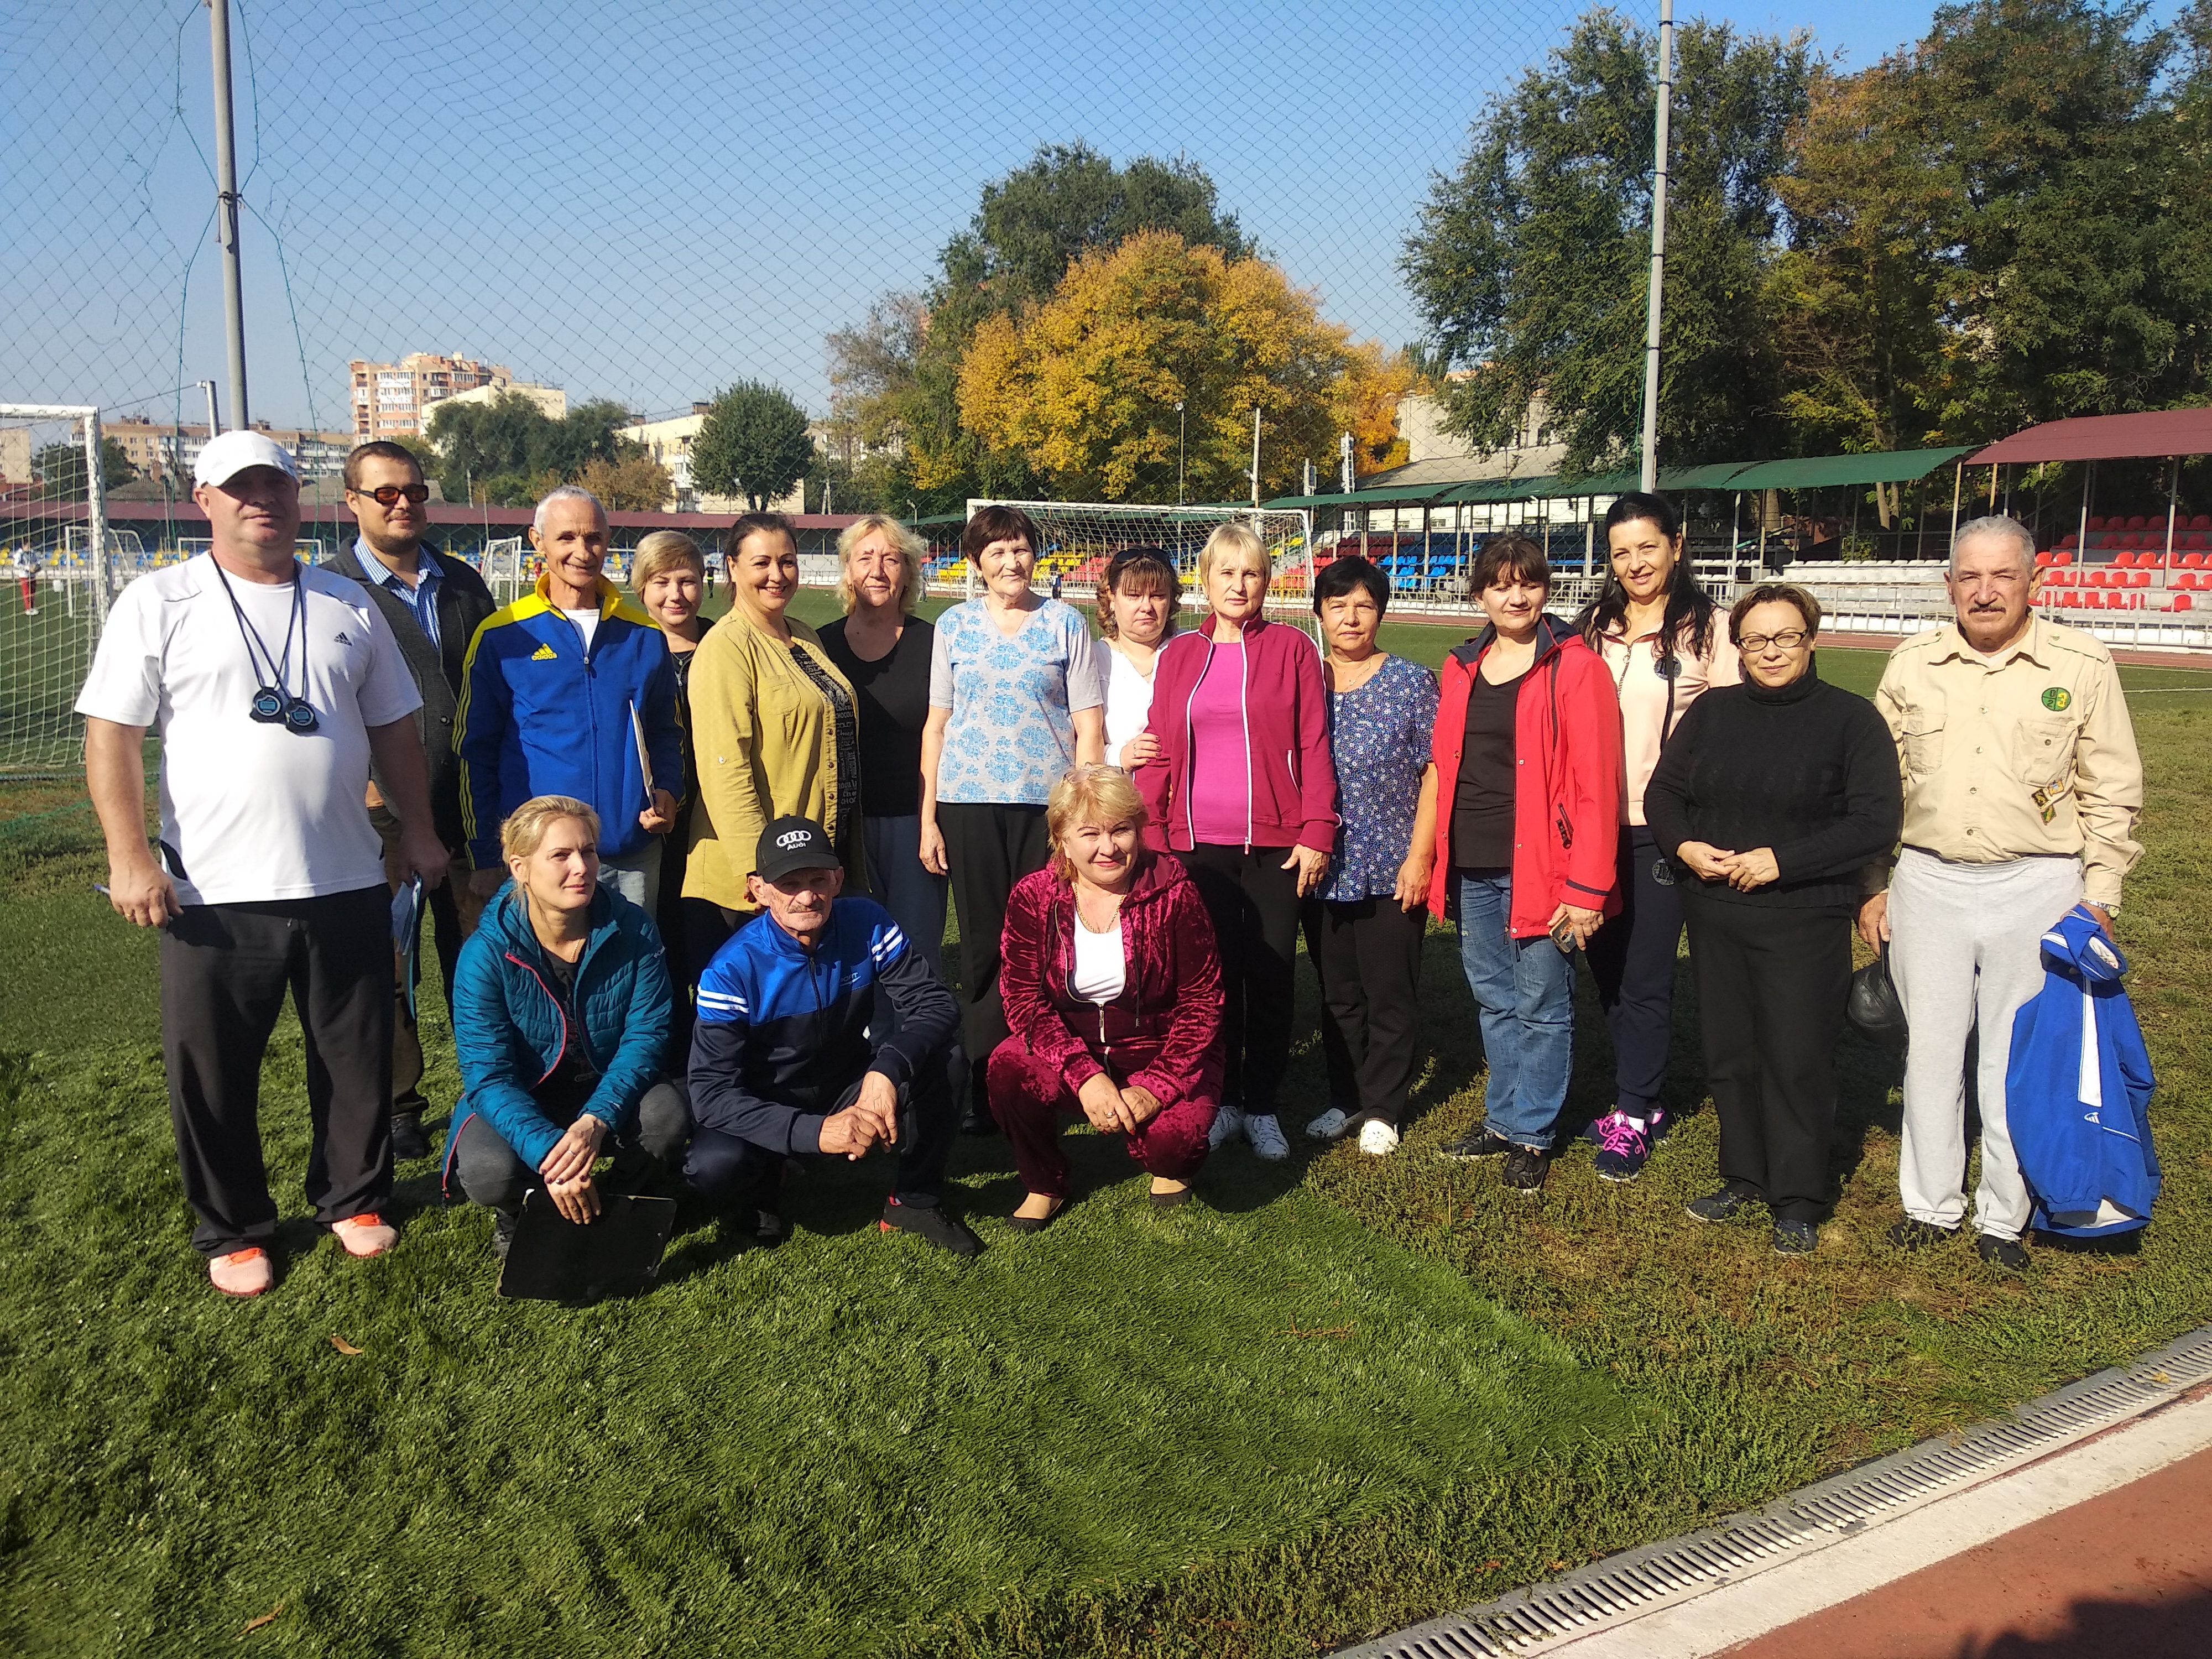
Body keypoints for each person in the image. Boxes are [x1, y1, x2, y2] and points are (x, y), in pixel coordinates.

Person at [76, 430, 446, 1296]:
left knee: (355, 1057)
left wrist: (419, 832)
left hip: (346, 875)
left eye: (276, 484)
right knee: (213, 1071)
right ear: (204, 500)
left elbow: (395, 729)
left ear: (297, 494)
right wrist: (128, 857)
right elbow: (112, 737)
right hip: (211, 889)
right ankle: (235, 1228)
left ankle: (353, 1197)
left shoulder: (347, 603)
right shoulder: (159, 601)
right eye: (240, 487)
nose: (262, 501)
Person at [1859, 516, 2143, 1270]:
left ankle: (2002, 1216)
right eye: (1969, 577)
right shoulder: (1912, 664)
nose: (1984, 593)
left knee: (2015, 1057)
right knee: (1930, 1053)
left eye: (2002, 576)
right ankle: (1930, 1205)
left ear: (2033, 582)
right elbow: (1877, 789)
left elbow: (2111, 787)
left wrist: (2100, 895)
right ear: (1948, 585)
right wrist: (1873, 884)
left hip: (2037, 884)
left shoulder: (2081, 664)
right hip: (1928, 880)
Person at [1646, 585, 1902, 1254]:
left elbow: (1875, 822)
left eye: (1785, 637)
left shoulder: (1850, 720)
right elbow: (1664, 791)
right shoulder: (1713, 712)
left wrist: (1781, 862)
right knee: (1730, 1053)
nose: (1771, 651)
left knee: (1796, 1057)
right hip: (1716, 912)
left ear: (1810, 640)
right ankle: (1744, 1174)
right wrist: (1683, 845)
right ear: (1738, 647)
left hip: (1803, 917)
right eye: (1755, 640)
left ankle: (1798, 1197)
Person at [686, 817, 982, 1255]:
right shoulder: (730, 970)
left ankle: (915, 1199)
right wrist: (812, 1132)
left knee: (948, 1059)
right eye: (789, 884)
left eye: (818, 880)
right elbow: (711, 1095)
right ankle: (762, 1189)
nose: (807, 896)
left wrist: (887, 1068)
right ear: (759, 890)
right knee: (712, 1165)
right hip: (765, 1101)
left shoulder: (867, 921)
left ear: (838, 879)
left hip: (846, 1084)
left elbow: (936, 1004)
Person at [1134, 520, 1335, 1162]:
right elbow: (1159, 750)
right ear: (1206, 579)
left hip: (1277, 846)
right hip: (1196, 848)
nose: (1239, 584)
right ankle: (1222, 1100)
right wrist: (1150, 834)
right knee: (1212, 980)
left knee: (1270, 976)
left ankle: (1264, 1104)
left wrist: (1317, 829)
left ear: (1266, 582)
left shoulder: (1293, 649)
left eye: (1251, 573)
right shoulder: (1178, 656)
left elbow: (1314, 743)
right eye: (1226, 572)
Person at [1427, 535, 1622, 1194]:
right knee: (1493, 998)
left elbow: (1597, 784)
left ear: (1546, 590)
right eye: (1501, 585)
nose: (1516, 597)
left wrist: (1586, 886)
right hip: (1472, 861)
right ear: (1479, 594)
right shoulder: (1461, 665)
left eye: (1529, 583)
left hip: (1543, 865)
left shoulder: (1575, 667)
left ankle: (1532, 1132)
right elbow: (1446, 764)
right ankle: (1502, 1119)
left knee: (1542, 1002)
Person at [329, 439, 498, 1161]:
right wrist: (368, 786)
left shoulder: (462, 583)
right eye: (386, 493)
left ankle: (490, 1089)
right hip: (379, 815)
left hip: (467, 807)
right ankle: (399, 1106)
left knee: (481, 956)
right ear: (353, 502)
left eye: (415, 491)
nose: (404, 504)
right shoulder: (328, 590)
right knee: (389, 963)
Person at [920, 505, 1105, 1134]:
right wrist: (928, 819)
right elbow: (937, 725)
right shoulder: (953, 626)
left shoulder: (1064, 624)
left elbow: (1088, 725)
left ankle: (1046, 1078)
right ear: (976, 563)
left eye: (1020, 548)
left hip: (1046, 809)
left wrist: (1082, 814)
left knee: (1044, 944)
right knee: (981, 950)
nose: (1011, 561)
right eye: (996, 551)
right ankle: (985, 1086)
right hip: (967, 804)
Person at [444, 795, 690, 1256]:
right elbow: (489, 1076)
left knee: (667, 1117)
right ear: (520, 868)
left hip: (607, 1086)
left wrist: (597, 1120)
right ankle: (519, 1209)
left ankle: (625, 1196)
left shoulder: (634, 929)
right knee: (486, 1171)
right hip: (528, 1092)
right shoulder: (484, 954)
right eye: (560, 855)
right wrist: (549, 1155)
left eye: (588, 851)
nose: (581, 868)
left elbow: (647, 1037)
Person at [1576, 492, 1739, 1182]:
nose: (1635, 563)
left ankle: (1634, 1112)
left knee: (1644, 976)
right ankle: (1641, 1096)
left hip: (1660, 830)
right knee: (1607, 971)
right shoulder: (1593, 627)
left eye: (1648, 547)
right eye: (1622, 552)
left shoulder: (1713, 631)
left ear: (1677, 545)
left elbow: (1736, 731)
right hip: (1589, 828)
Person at [992, 764, 1223, 1226]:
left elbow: (1202, 1003)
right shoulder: (1033, 896)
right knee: (1007, 1067)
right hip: (1072, 1046)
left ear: (1139, 830)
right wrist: (1084, 1076)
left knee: (1174, 1147)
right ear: (1062, 839)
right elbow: (1023, 999)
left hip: (1160, 1048)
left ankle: (1161, 1155)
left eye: (1120, 830)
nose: (1108, 847)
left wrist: (1155, 1088)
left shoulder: (1176, 893)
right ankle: (1044, 1180)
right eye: (1090, 834)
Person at [456, 486, 682, 913]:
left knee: (626, 956)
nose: (582, 551)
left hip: (628, 854)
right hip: (540, 858)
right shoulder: (501, 635)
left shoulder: (644, 635)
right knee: (543, 958)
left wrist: (669, 788)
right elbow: (475, 752)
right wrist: (485, 853)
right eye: (566, 538)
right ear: (537, 541)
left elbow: (666, 731)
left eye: (593, 537)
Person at [1300, 555, 1438, 1157]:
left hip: (1391, 861)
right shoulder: (1304, 679)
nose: (1351, 618)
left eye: (1364, 605)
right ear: (1320, 614)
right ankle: (1347, 1094)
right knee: (1338, 992)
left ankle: (1383, 1107)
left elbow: (1434, 772)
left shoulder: (1411, 682)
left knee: (1389, 991)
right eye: (1338, 606)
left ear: (1380, 613)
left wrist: (1420, 856)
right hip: (1322, 864)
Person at [684, 512, 863, 970]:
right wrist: (761, 871)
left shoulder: (804, 636)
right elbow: (725, 768)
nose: (777, 575)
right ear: (732, 567)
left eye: (787, 561)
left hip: (810, 859)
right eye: (761, 563)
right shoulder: (726, 647)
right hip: (759, 880)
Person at [818, 514, 947, 978]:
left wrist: (930, 822)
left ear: (908, 572)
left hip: (914, 821)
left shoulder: (934, 643)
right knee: (850, 952)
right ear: (848, 569)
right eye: (865, 558)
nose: (877, 570)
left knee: (915, 950)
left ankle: (918, 1025)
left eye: (891, 559)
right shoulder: (819, 646)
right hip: (843, 825)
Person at [629, 530, 708, 1046]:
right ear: (641, 588)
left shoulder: (724, 643)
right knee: (659, 932)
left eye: (687, 580)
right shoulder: (630, 646)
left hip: (714, 815)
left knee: (708, 932)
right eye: (661, 582)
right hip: (653, 819)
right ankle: (669, 1043)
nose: (675, 594)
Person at [1092, 545, 1178, 771]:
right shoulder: (1093, 660)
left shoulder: (1193, 649)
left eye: (1157, 596)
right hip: (1120, 790)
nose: (1146, 607)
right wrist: (1118, 756)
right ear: (1111, 597)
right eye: (1134, 595)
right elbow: (1075, 741)